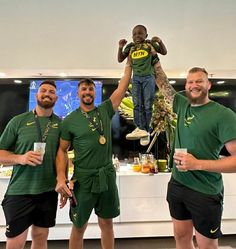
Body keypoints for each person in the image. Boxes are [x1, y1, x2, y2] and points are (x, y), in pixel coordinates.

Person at [153, 65, 236, 249]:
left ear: (209, 85)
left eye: (199, 81)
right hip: (177, 184)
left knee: (206, 245)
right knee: (181, 238)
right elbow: (163, 82)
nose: (194, 85)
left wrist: (197, 164)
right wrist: (153, 58)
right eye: (190, 82)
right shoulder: (182, 104)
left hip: (205, 191)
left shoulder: (223, 115)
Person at [55, 62, 132, 249]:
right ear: (78, 93)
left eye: (90, 89)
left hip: (106, 176)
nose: (87, 92)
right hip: (82, 179)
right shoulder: (70, 120)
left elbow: (122, 87)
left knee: (107, 224)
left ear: (95, 93)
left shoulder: (105, 110)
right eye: (83, 89)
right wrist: (62, 178)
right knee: (79, 226)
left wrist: (129, 63)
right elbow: (62, 150)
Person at [0, 80, 61, 249]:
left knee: (40, 237)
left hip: (48, 191)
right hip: (20, 191)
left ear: (56, 97)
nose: (47, 93)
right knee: (15, 242)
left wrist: (63, 180)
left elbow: (62, 155)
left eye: (51, 91)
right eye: (43, 90)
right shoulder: (18, 121)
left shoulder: (59, 124)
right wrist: (20, 158)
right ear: (37, 95)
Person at [118, 24, 167, 146]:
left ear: (146, 35)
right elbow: (120, 59)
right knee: (137, 103)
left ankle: (146, 130)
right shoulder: (131, 47)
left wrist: (159, 42)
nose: (137, 36)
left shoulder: (149, 44)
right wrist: (120, 47)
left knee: (147, 103)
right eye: (134, 34)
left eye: (140, 33)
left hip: (148, 77)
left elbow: (164, 52)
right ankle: (140, 128)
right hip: (136, 79)